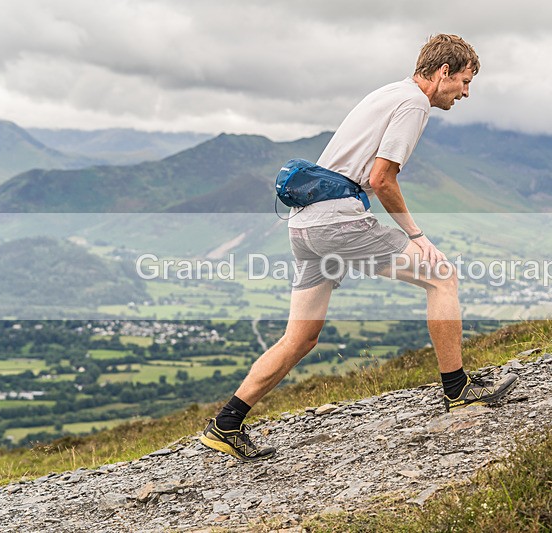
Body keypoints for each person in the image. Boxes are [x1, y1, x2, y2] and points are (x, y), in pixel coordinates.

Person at [201, 34, 519, 461]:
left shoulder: (389, 92)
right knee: (442, 278)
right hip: (338, 222)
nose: (465, 92)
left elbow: (366, 173)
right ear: (443, 72)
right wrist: (417, 236)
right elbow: (382, 178)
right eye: (464, 81)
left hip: (305, 225)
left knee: (300, 337)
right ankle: (458, 389)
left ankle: (225, 424)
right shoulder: (414, 103)